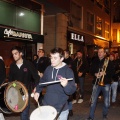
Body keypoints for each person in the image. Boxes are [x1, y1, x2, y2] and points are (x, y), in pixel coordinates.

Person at [34, 47, 76, 120]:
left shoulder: (68, 71)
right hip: (47, 105)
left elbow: (71, 91)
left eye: (55, 58)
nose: (52, 60)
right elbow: (42, 81)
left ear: (62, 59)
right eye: (51, 57)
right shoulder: (48, 69)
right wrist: (37, 91)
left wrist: (66, 85)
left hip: (61, 108)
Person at [9, 46, 40, 120]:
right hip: (16, 92)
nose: (14, 56)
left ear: (21, 53)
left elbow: (36, 77)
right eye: (13, 54)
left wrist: (36, 88)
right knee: (20, 110)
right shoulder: (12, 65)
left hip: (26, 92)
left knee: (24, 113)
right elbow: (11, 80)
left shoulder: (28, 64)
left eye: (16, 53)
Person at [86, 48, 114, 120]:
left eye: (101, 52)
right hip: (96, 83)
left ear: (104, 53)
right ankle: (91, 117)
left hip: (106, 83)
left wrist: (105, 73)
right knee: (93, 101)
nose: (99, 53)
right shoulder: (95, 60)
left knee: (106, 103)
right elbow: (90, 70)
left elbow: (112, 72)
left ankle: (105, 115)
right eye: (98, 52)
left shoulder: (108, 61)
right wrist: (95, 74)